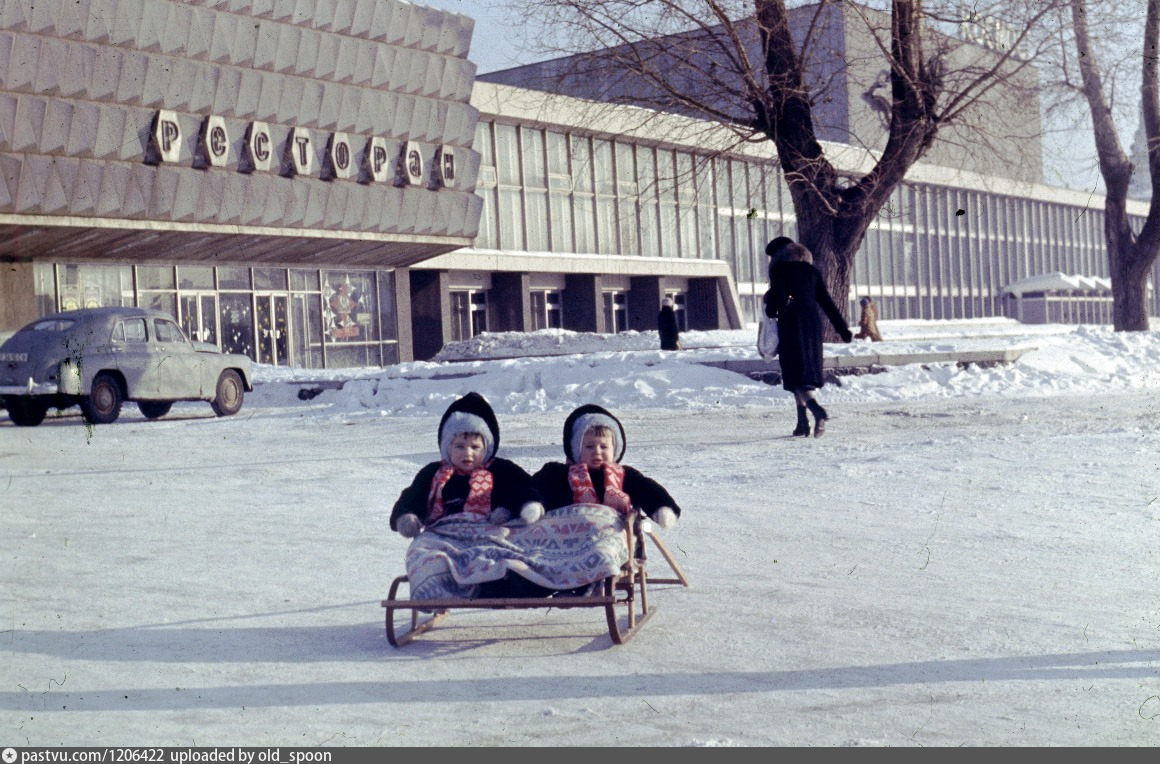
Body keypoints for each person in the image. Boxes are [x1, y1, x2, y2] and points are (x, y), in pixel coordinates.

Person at [389, 391, 551, 598]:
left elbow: (524, 487)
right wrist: (407, 515)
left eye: (475, 447)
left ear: (487, 446)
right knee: (421, 551)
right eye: (459, 446)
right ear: (447, 446)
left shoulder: (500, 469)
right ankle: (437, 587)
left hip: (487, 530)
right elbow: (412, 496)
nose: (468, 453)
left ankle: (496, 584)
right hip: (443, 533)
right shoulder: (433, 472)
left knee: (502, 552)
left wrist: (522, 505)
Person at [533, 404, 680, 529]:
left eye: (604, 447)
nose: (597, 452)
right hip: (566, 535)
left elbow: (646, 489)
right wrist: (531, 503)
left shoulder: (623, 475)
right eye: (589, 446)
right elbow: (537, 488)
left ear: (614, 449)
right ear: (577, 449)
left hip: (608, 533)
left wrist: (660, 506)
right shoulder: (560, 474)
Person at [764, 241, 852, 437]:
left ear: (779, 255)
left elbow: (778, 298)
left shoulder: (779, 270)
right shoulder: (812, 271)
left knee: (796, 376)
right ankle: (802, 423)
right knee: (804, 374)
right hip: (812, 327)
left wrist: (770, 307)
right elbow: (827, 301)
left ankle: (816, 410)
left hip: (791, 325)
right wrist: (842, 329)